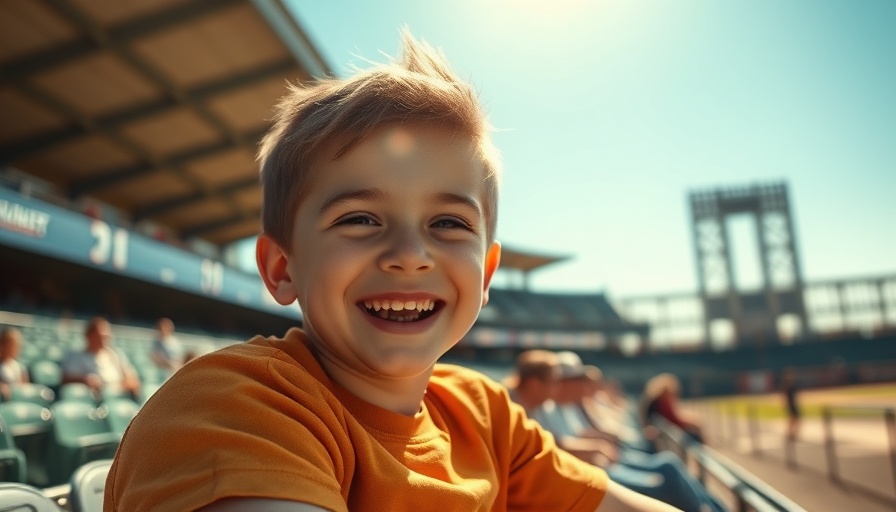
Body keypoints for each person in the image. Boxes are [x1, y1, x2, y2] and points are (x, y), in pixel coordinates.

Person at [104, 31, 679, 512]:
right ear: (282, 267)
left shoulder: (484, 413)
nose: (410, 253)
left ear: (485, 277)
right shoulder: (233, 407)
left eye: (449, 223)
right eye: (359, 218)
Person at [61, 317, 141, 401]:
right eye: (100, 336)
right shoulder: (76, 355)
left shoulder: (116, 354)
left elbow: (131, 378)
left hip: (117, 396)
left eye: (106, 336)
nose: (104, 340)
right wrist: (85, 380)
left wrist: (127, 383)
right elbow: (66, 378)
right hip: (94, 399)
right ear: (89, 335)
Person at [641, 373, 705, 444]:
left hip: (665, 435)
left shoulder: (653, 402)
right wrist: (694, 422)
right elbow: (675, 420)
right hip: (669, 437)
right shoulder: (663, 402)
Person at [0, 327, 29, 399]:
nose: (13, 348)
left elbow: (24, 389)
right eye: (9, 344)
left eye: (16, 345)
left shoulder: (20, 367)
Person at [781, 367, 800, 442]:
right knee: (793, 420)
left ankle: (791, 434)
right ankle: (790, 434)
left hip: (793, 404)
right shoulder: (788, 386)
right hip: (791, 405)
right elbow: (785, 397)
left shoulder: (791, 386)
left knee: (794, 420)